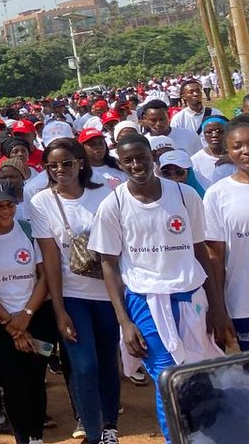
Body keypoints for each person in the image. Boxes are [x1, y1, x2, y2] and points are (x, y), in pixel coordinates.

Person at [92, 133, 227, 443]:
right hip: (146, 302)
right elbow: (109, 265)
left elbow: (200, 252)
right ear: (121, 164)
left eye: (141, 157)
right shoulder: (113, 205)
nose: (136, 165)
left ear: (152, 157)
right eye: (128, 160)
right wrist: (125, 322)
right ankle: (175, 439)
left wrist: (216, 306)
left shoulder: (183, 196)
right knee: (168, 378)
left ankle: (205, 436)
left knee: (198, 376)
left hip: (192, 298)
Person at [27, 138, 119, 444]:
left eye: (67, 163)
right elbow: (50, 257)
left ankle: (110, 428)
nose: (60, 170)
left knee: (107, 361)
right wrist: (59, 308)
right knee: (84, 365)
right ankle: (93, 433)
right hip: (73, 295)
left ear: (81, 163)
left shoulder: (106, 193)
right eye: (52, 166)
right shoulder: (41, 202)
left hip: (109, 293)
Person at [0, 180, 51, 444]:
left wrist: (27, 315)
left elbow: (44, 277)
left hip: (35, 317)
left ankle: (36, 435)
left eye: (10, 205)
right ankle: (22, 437)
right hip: (1, 324)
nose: (5, 210)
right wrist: (11, 323)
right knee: (13, 384)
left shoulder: (29, 231)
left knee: (36, 379)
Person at [204, 115, 249, 350]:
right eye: (237, 146)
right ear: (228, 151)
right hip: (242, 305)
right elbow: (215, 258)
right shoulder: (217, 195)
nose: (245, 151)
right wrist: (218, 307)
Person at [192, 116, 235, 189]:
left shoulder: (240, 156)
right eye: (209, 132)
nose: (214, 135)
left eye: (220, 131)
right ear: (203, 135)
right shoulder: (194, 161)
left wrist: (235, 160)